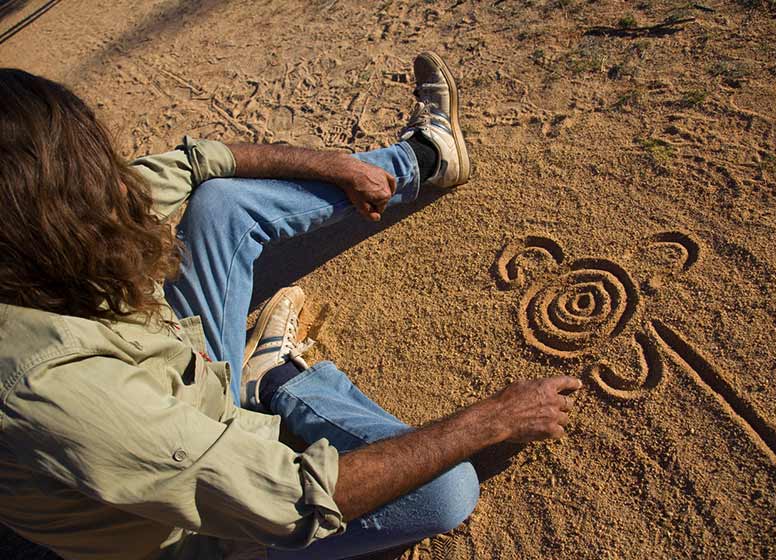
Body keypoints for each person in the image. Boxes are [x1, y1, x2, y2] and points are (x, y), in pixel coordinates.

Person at [0, 53, 581, 560]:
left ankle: (427, 156)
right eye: (93, 171)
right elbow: (288, 500)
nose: (121, 186)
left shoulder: (36, 235)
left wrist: (338, 164)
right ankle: (277, 381)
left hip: (183, 370)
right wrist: (492, 419)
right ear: (51, 217)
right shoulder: (48, 389)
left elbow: (199, 162)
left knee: (222, 203)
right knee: (446, 489)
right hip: (203, 539)